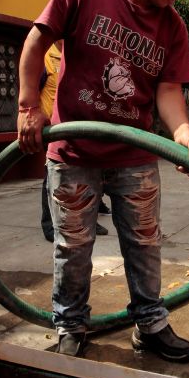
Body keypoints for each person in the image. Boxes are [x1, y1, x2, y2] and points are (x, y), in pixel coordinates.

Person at [16, 0, 189, 362]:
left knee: (145, 243)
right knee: (73, 248)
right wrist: (29, 106)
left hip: (135, 155)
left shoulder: (172, 27)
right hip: (72, 153)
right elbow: (35, 42)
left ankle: (151, 323)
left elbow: (167, 91)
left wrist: (181, 133)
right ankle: (70, 324)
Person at [38, 41, 109, 241]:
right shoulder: (46, 57)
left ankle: (89, 221)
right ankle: (50, 225)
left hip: (80, 127)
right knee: (53, 177)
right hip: (53, 129)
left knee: (88, 176)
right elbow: (34, 90)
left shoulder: (78, 55)